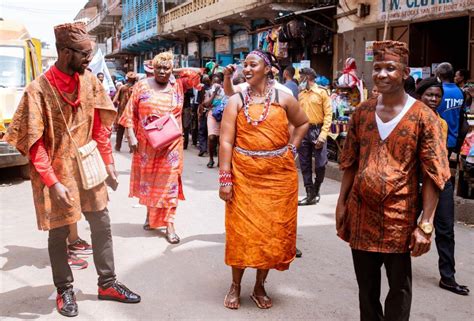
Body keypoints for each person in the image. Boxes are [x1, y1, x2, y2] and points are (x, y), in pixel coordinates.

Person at [4, 22, 140, 318]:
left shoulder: (90, 81)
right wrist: (52, 182)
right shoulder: (37, 89)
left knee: (102, 223)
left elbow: (99, 128)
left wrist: (109, 163)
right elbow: (33, 143)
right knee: (59, 233)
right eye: (84, 55)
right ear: (65, 53)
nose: (88, 61)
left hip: (88, 167)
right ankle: (64, 289)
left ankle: (108, 283)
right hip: (55, 171)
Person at [336, 40, 451, 321]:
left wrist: (425, 225)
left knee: (399, 289)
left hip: (399, 220)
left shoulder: (423, 117)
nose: (382, 74)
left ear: (405, 73)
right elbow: (350, 163)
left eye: (391, 68)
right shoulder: (362, 113)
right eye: (377, 68)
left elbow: (434, 174)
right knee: (366, 289)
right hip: (361, 215)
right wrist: (342, 204)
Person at [219, 49, 309, 310]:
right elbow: (225, 141)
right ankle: (235, 285)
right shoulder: (236, 99)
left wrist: (292, 148)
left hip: (278, 178)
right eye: (244, 65)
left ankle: (259, 285)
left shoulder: (284, 98)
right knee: (241, 233)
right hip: (243, 174)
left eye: (252, 64)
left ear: (268, 69)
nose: (246, 69)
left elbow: (302, 123)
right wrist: (225, 178)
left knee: (271, 233)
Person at [119, 52, 202, 244]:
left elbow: (197, 75)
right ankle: (150, 215)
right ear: (152, 69)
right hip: (147, 144)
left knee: (170, 183)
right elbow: (129, 112)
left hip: (171, 144)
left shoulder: (178, 85)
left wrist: (176, 69)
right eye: (159, 68)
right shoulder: (141, 85)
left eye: (166, 68)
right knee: (150, 182)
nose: (163, 72)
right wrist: (131, 136)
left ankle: (169, 224)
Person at [416, 77, 470, 296]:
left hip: (440, 180)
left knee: (446, 230)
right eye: (430, 95)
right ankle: (394, 265)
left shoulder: (443, 123)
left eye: (438, 96)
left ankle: (448, 277)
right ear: (420, 96)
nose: (434, 99)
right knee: (405, 224)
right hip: (415, 180)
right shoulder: (410, 120)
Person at [297, 67, 332, 206]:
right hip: (304, 130)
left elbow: (328, 115)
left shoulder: (322, 93)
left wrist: (323, 135)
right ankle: (309, 193)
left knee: (321, 164)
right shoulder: (300, 94)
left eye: (301, 77)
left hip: (318, 130)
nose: (299, 80)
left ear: (308, 78)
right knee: (304, 164)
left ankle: (316, 188)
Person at [435, 62, 465, 153]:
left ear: (439, 75)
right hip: (453, 139)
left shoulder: (437, 91)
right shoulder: (460, 92)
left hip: (438, 138)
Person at [202, 72, 225, 168]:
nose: (216, 80)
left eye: (218, 78)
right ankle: (211, 159)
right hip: (212, 114)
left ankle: (220, 160)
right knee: (212, 137)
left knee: (221, 139)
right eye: (214, 78)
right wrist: (214, 93)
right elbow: (206, 104)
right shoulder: (209, 92)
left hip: (223, 115)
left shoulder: (226, 91)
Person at [113, 71, 137, 152]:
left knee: (120, 130)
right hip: (132, 112)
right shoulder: (137, 88)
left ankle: (118, 146)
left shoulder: (122, 88)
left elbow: (116, 100)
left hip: (122, 112)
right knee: (131, 130)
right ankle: (131, 148)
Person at [197, 75, 211, 156]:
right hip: (209, 112)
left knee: (202, 130)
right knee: (206, 130)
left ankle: (203, 148)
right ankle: (205, 149)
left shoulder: (202, 89)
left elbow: (200, 102)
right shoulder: (214, 88)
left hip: (205, 111)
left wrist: (199, 111)